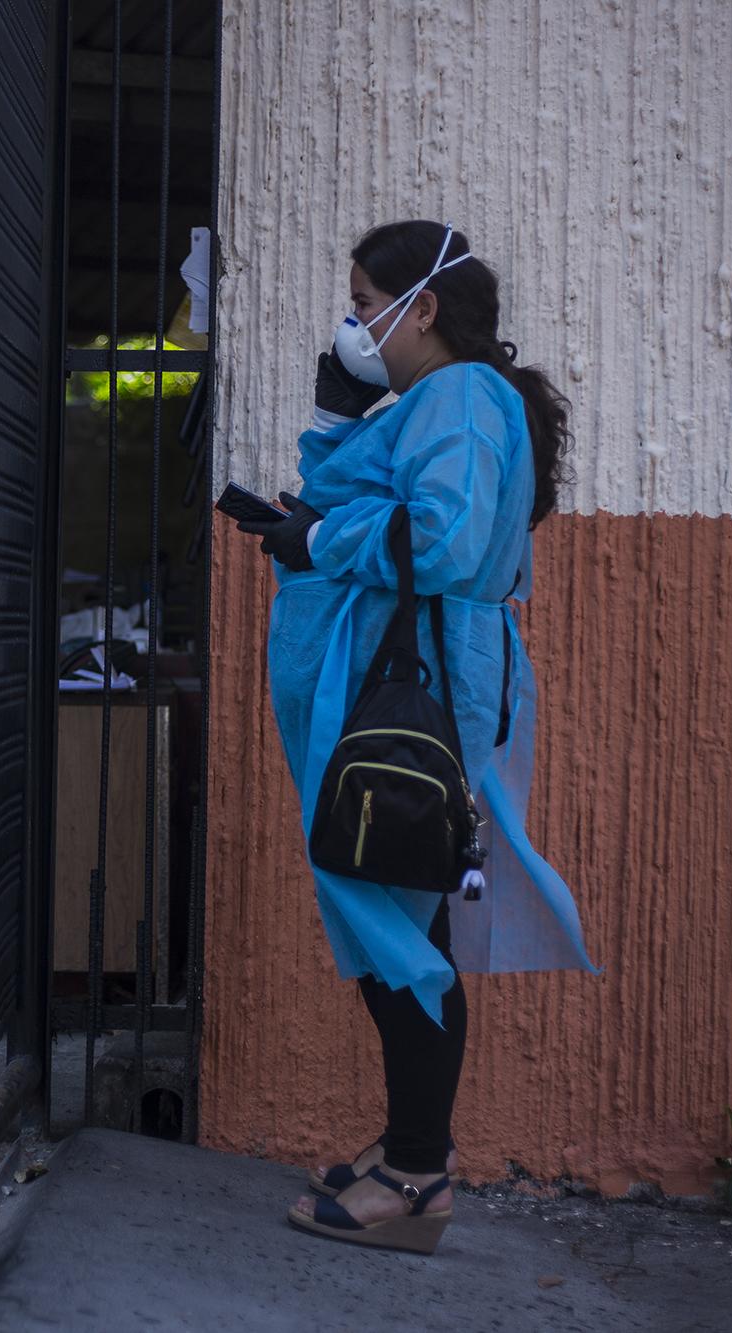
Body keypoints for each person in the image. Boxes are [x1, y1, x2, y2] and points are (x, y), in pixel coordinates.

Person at [237, 220, 602, 1255]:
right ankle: (409, 1155)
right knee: (390, 907)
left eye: (364, 304)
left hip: (408, 691)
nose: (355, 323)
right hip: (393, 685)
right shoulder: (437, 401)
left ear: (421, 308)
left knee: (390, 919)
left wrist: (315, 538)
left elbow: (434, 539)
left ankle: (415, 1175)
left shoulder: (457, 400)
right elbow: (352, 502)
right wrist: (335, 418)